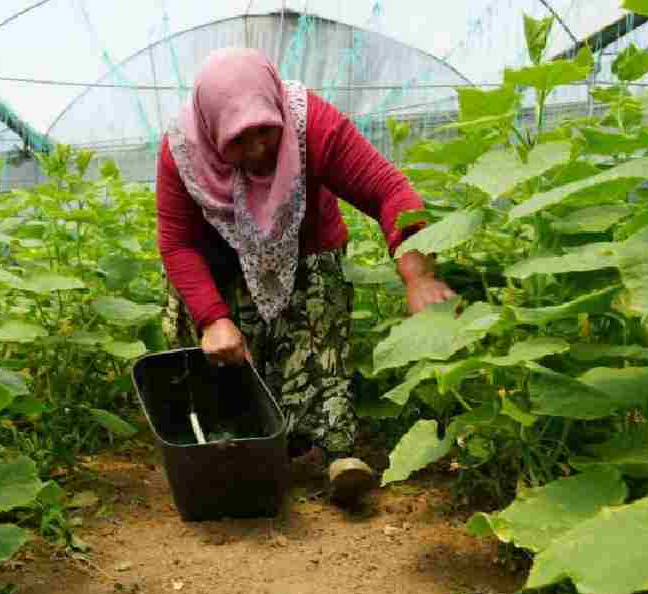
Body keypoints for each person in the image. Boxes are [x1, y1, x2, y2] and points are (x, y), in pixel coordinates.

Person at [155, 47, 455, 507]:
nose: (257, 149)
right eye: (238, 139)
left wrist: (417, 276)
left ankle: (336, 452)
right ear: (212, 131)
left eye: (264, 132)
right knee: (230, 357)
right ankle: (237, 447)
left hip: (306, 244)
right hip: (218, 260)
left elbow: (388, 191)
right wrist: (213, 318)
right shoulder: (181, 151)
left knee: (318, 337)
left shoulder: (310, 123)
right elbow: (177, 243)